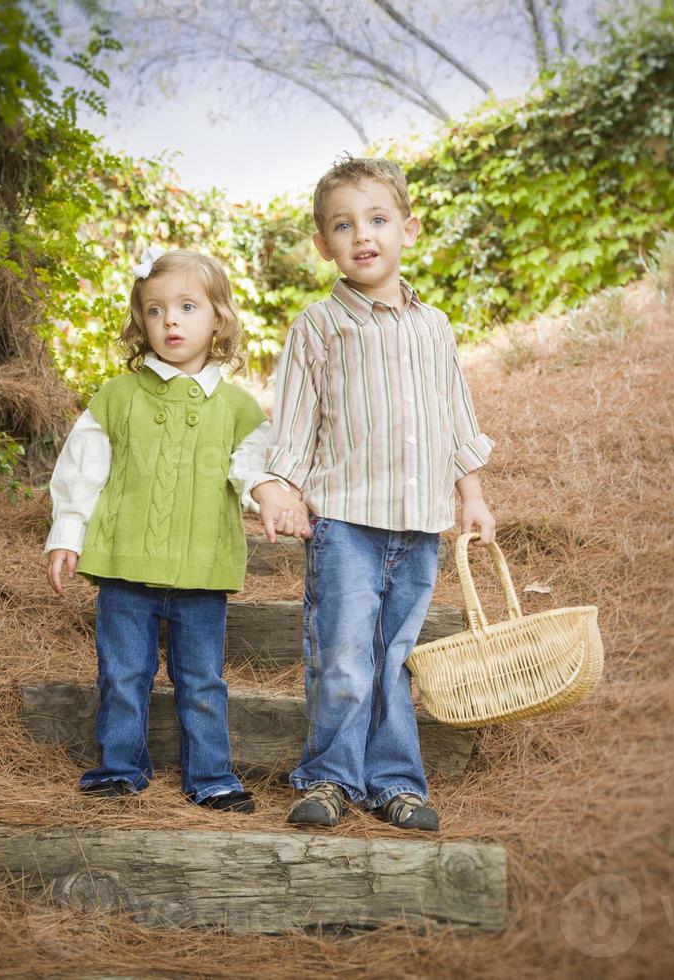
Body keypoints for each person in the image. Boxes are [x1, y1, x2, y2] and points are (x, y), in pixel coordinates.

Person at [251, 156, 497, 833]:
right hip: (347, 523)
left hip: (418, 524)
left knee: (394, 656)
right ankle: (331, 777)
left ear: (408, 229)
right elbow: (296, 426)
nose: (363, 235)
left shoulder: (435, 327)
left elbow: (456, 419)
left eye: (378, 219)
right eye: (343, 224)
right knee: (345, 655)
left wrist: (470, 494)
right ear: (323, 243)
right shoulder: (318, 328)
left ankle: (394, 782)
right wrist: (284, 489)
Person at [44, 247, 309, 812]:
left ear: (218, 319)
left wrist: (270, 495)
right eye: (156, 309)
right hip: (123, 566)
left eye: (187, 306)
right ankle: (120, 766)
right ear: (141, 320)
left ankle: (211, 775)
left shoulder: (238, 408)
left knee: (202, 681)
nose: (171, 321)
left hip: (201, 566)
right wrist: (67, 533)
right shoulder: (117, 397)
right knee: (122, 673)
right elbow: (81, 469)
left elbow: (252, 466)